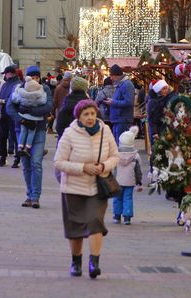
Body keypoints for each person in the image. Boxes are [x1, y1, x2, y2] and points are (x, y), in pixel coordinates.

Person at [54, 99, 120, 279]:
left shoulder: (105, 131)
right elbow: (59, 162)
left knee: (95, 221)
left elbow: (115, 156)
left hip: (98, 187)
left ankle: (94, 262)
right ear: (79, 117)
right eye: (86, 114)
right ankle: (76, 261)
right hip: (73, 188)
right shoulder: (69, 134)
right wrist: (83, 167)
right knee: (75, 228)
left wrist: (104, 166)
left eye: (92, 114)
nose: (90, 118)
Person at [6, 65, 52, 208]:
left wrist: (29, 109)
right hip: (21, 129)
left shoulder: (45, 89)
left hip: (38, 130)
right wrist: (22, 119)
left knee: (36, 163)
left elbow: (48, 107)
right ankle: (29, 194)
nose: (34, 80)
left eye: (36, 77)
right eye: (32, 77)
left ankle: (35, 196)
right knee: (25, 164)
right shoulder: (19, 88)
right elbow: (10, 107)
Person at [112, 126, 142, 225]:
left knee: (117, 198)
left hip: (117, 181)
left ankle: (116, 216)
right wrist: (139, 182)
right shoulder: (135, 156)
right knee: (128, 198)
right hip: (130, 181)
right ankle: (127, 217)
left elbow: (113, 169)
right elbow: (138, 171)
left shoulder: (116, 155)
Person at [12, 76, 47, 157]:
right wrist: (41, 90)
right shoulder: (38, 96)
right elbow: (43, 101)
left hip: (23, 116)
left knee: (23, 131)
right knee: (32, 132)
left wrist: (16, 91)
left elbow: (14, 99)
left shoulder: (22, 94)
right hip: (34, 117)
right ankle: (27, 148)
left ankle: (20, 147)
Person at [0, 66, 21, 167]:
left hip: (13, 114)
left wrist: (3, 100)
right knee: (2, 136)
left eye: (6, 73)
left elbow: (14, 97)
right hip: (4, 113)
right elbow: (1, 94)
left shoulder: (18, 84)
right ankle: (2, 157)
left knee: (15, 137)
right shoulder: (5, 84)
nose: (5, 75)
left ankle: (17, 159)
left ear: (10, 73)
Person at [146, 80, 176, 168]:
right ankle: (154, 171)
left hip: (166, 129)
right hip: (157, 130)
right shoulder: (152, 102)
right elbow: (152, 120)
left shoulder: (169, 98)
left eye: (166, 88)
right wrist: (154, 133)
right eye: (163, 89)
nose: (166, 90)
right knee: (156, 151)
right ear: (158, 90)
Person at [104, 64, 135, 144]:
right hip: (118, 120)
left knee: (122, 146)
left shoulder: (127, 85)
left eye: (111, 75)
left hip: (123, 120)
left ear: (116, 75)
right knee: (118, 145)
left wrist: (113, 102)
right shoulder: (121, 84)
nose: (111, 78)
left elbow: (129, 102)